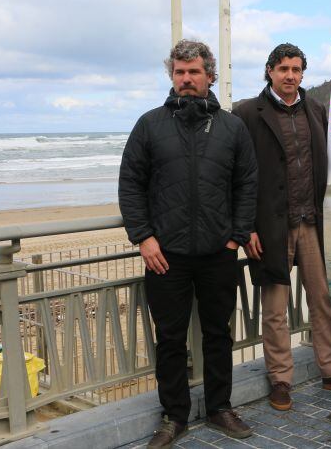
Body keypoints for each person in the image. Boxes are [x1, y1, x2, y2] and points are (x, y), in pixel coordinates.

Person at [119, 39, 257, 448]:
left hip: (219, 253)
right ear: (171, 76)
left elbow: (247, 184)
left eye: (194, 72)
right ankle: (174, 415)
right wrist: (143, 237)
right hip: (166, 256)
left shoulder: (232, 127)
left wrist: (235, 238)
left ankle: (219, 408)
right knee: (171, 339)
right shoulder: (149, 124)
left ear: (210, 76)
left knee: (218, 333)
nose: (186, 79)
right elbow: (131, 184)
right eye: (179, 72)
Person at [233, 43, 331, 411]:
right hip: (270, 227)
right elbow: (238, 175)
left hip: (311, 221)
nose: (290, 76)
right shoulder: (248, 113)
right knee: (275, 309)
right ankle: (281, 379)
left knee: (322, 301)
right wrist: (246, 226)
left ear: (302, 73)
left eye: (296, 69)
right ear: (269, 71)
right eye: (283, 68)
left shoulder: (316, 110)